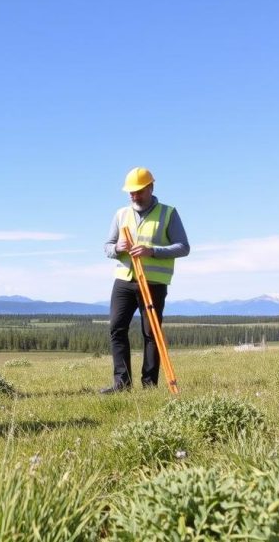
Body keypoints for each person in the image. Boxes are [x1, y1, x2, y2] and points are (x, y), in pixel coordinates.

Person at [101, 167, 190, 393]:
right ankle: (122, 384)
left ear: (151, 187)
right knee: (116, 328)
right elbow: (107, 247)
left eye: (138, 191)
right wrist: (116, 248)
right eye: (130, 192)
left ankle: (149, 385)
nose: (134, 196)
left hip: (153, 282)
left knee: (152, 334)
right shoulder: (121, 214)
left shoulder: (168, 213)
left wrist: (153, 251)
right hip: (124, 280)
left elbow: (183, 247)